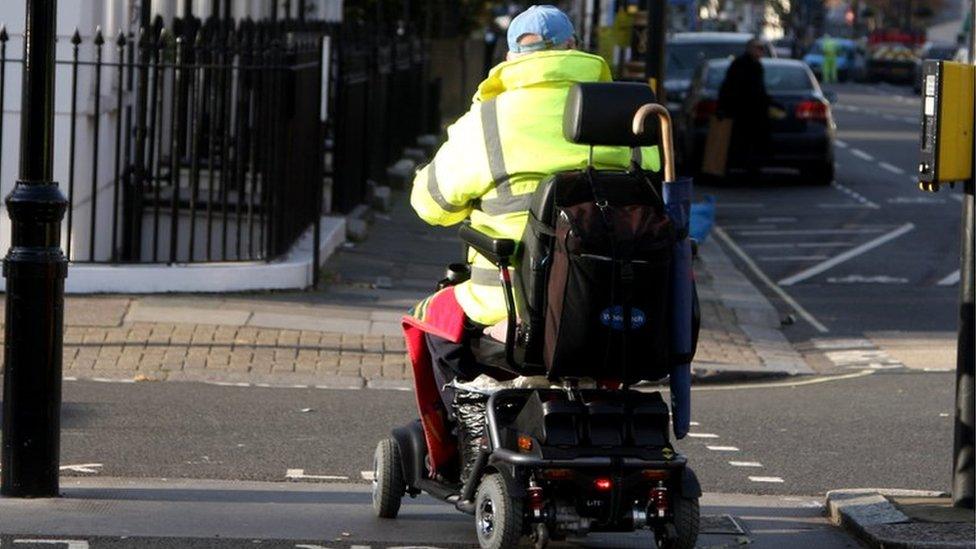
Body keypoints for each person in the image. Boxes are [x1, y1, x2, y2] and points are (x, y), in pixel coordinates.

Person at [405, 5, 661, 416]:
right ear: (575, 47)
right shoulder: (626, 115)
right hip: (616, 301)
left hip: (511, 304)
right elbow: (654, 191)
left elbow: (431, 205)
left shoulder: (488, 119)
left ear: (510, 59)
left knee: (435, 317)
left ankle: (464, 428)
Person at [717, 38, 774, 180]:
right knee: (738, 143)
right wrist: (723, 107)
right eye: (758, 48)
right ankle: (737, 170)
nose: (761, 51)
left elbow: (760, 90)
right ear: (749, 49)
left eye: (762, 48)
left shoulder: (757, 66)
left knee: (753, 144)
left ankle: (751, 169)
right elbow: (729, 87)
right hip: (741, 112)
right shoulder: (740, 65)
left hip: (754, 113)